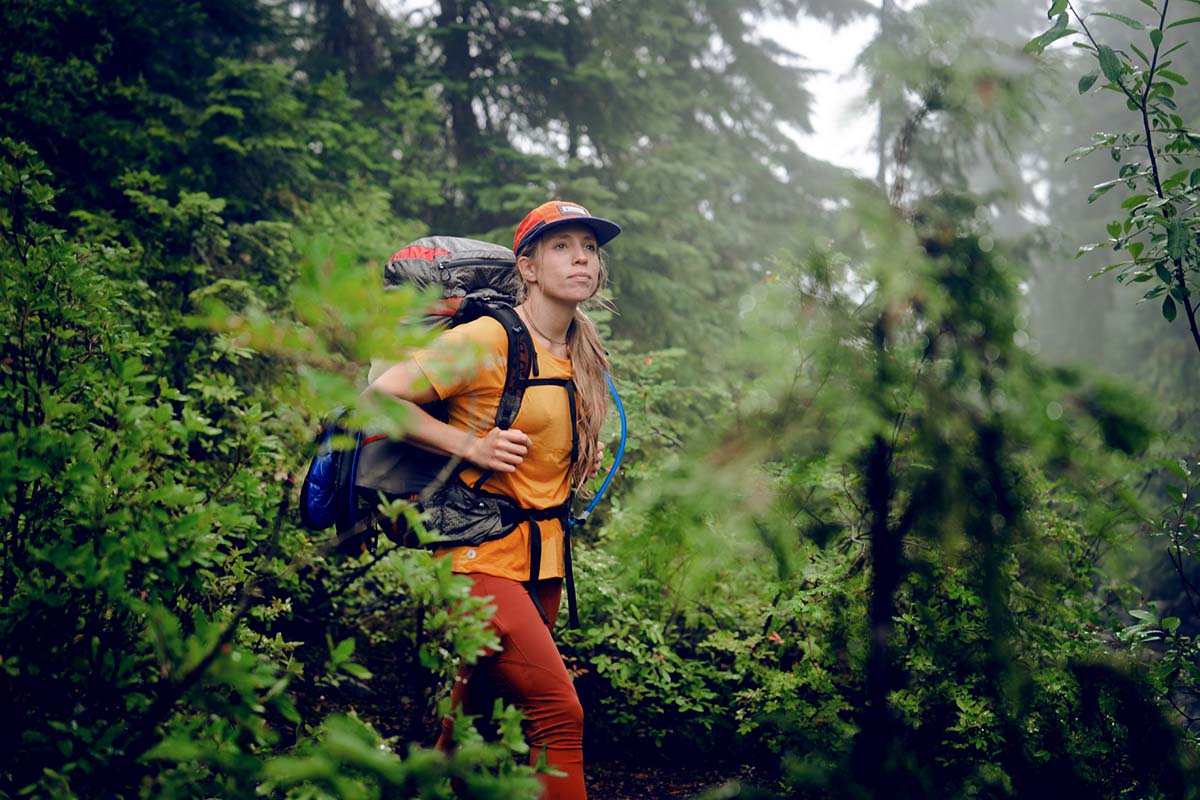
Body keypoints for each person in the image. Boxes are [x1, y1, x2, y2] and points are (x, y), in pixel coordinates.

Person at [367, 200, 621, 800]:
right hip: (479, 557)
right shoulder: (490, 339)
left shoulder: (579, 351)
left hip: (542, 561)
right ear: (527, 268)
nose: (581, 256)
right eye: (561, 246)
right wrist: (471, 447)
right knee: (560, 715)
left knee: (478, 723)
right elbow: (376, 401)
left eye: (589, 246)